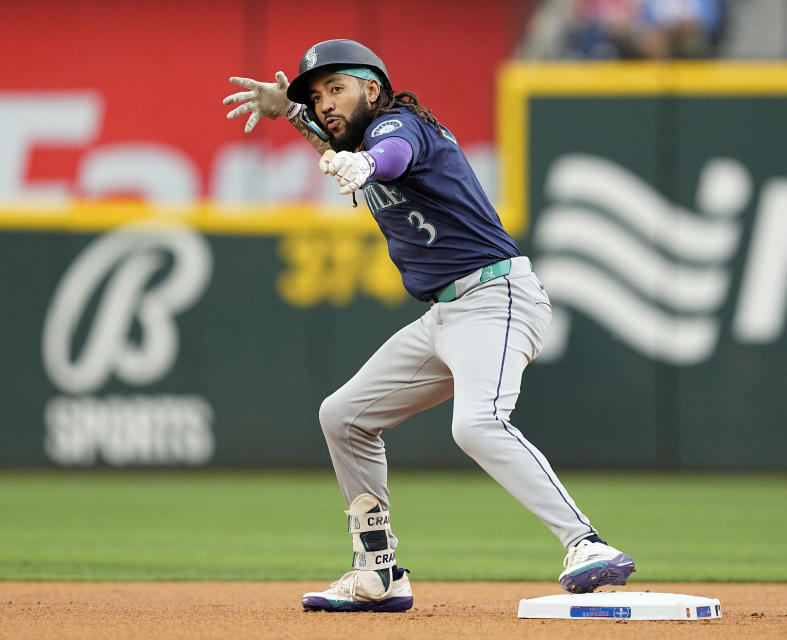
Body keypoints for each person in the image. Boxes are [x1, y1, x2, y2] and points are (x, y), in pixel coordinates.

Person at [222, 39, 634, 613]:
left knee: (477, 424)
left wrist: (363, 162)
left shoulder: (400, 125)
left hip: (498, 297)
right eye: (315, 98)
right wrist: (290, 114)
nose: (324, 106)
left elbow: (388, 156)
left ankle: (587, 543)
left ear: (372, 88)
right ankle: (377, 574)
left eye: (335, 89)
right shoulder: (357, 136)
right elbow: (345, 146)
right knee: (343, 417)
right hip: (446, 315)